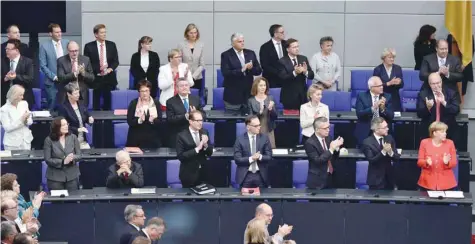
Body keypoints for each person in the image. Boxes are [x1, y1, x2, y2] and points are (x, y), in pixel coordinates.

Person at [221, 33, 262, 113]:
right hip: (233, 95)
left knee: (250, 119)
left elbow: (258, 70)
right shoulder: (226, 55)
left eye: (243, 41)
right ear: (233, 43)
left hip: (248, 94)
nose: (242, 43)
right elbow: (226, 73)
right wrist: (241, 70)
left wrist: (251, 68)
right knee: (231, 121)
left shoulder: (250, 53)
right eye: (239, 41)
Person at [416, 72, 460, 144]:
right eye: (433, 84)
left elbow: (456, 110)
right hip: (429, 129)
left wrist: (444, 103)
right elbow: (419, 114)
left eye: (438, 83)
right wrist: (428, 108)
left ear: (441, 81)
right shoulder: (423, 94)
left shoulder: (451, 93)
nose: (436, 86)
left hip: (448, 129)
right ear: (429, 84)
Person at [83, 24, 119, 110]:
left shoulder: (111, 45)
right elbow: (87, 63)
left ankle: (108, 122)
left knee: (108, 103)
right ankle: (97, 122)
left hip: (109, 77)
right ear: (96, 34)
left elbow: (115, 61)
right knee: (96, 103)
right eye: (102, 32)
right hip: (96, 78)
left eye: (105, 32)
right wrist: (99, 69)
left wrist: (110, 68)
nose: (104, 34)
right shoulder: (89, 46)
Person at [176, 110, 213, 188]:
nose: (200, 123)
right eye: (198, 120)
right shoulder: (181, 135)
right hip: (188, 174)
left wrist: (206, 145)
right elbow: (181, 156)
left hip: (203, 173)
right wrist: (198, 148)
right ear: (190, 121)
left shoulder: (204, 132)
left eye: (201, 120)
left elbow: (210, 153)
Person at [43, 117, 81, 191]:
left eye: (67, 124)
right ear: (57, 127)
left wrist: (72, 157)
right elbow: (48, 159)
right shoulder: (48, 140)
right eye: (63, 125)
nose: (66, 126)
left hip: (72, 177)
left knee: (72, 201)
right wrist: (63, 162)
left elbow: (79, 155)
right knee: (57, 201)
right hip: (55, 178)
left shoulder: (73, 137)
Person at [234, 115, 273, 188]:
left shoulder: (264, 138)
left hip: (260, 175)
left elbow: (269, 156)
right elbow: (237, 159)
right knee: (245, 199)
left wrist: (260, 156)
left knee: (261, 199)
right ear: (248, 127)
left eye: (259, 125)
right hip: (245, 176)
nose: (259, 127)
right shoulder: (240, 139)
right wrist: (252, 158)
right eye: (256, 126)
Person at [305, 117, 344, 189]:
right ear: (317, 129)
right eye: (325, 128)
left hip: (331, 177)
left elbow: (333, 156)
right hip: (317, 181)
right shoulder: (310, 143)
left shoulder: (328, 137)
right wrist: (331, 149)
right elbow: (318, 161)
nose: (328, 130)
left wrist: (337, 147)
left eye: (328, 127)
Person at [417, 121, 457, 191]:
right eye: (442, 132)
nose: (445, 134)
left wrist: (447, 162)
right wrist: (426, 162)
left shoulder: (450, 143)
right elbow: (419, 162)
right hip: (427, 183)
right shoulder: (424, 143)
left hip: (446, 184)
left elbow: (454, 162)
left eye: (445, 132)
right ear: (434, 133)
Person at [362, 118, 400, 190]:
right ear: (376, 130)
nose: (387, 129)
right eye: (385, 127)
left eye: (387, 126)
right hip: (375, 180)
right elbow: (371, 160)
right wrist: (383, 151)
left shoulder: (389, 138)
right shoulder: (367, 142)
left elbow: (396, 157)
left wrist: (390, 152)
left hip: (389, 179)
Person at [355, 76, 393, 146]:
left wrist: (383, 109)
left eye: (382, 85)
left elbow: (391, 116)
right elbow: (359, 114)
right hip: (366, 128)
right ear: (371, 87)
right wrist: (373, 108)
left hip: (382, 129)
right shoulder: (361, 96)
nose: (382, 87)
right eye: (379, 86)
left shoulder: (387, 96)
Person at [39, 23, 69, 111]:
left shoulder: (67, 43)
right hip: (52, 82)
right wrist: (54, 77)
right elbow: (43, 66)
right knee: (52, 107)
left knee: (66, 107)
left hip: (66, 81)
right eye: (56, 32)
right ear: (50, 34)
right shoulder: (44, 46)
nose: (59, 34)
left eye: (60, 32)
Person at [166, 78, 203, 147]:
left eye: (186, 85)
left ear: (189, 87)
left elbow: (204, 115)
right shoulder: (170, 102)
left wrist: (195, 114)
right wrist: (185, 116)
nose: (184, 87)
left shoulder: (196, 99)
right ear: (177, 88)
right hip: (178, 134)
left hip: (195, 134)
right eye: (181, 86)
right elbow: (170, 119)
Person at [279, 38, 314, 110]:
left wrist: (305, 72)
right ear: (288, 49)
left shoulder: (303, 58)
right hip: (289, 97)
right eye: (294, 47)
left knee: (303, 119)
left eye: (298, 46)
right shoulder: (282, 61)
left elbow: (311, 75)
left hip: (302, 96)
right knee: (290, 120)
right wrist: (295, 73)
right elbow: (282, 78)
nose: (297, 49)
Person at [57, 41, 94, 107]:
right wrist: (74, 74)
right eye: (72, 51)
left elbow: (92, 78)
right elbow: (61, 78)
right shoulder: (61, 60)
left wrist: (83, 73)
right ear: (68, 51)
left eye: (76, 51)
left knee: (82, 116)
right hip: (66, 94)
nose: (74, 53)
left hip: (82, 94)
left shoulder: (86, 59)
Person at [126, 80, 162, 149]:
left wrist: (153, 120)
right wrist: (139, 120)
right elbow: (129, 121)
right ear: (139, 92)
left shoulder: (156, 103)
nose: (144, 93)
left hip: (152, 138)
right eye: (142, 91)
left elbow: (160, 122)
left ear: (150, 91)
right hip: (136, 138)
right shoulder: (134, 103)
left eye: (146, 91)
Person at [58, 83, 94, 148]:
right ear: (69, 94)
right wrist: (77, 129)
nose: (78, 95)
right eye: (75, 93)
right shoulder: (63, 108)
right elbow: (62, 127)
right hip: (70, 141)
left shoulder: (81, 104)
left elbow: (85, 118)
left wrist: (90, 120)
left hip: (83, 141)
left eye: (78, 93)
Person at [1, 39, 34, 110]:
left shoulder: (28, 62)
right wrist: (5, 78)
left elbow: (30, 78)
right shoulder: (2, 61)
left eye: (9, 49)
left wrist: (15, 77)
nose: (6, 51)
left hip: (23, 98)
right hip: (5, 98)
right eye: (6, 48)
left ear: (17, 51)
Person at [247, 77, 278, 148]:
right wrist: (260, 112)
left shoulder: (270, 98)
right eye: (261, 85)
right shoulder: (251, 101)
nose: (263, 87)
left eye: (264, 85)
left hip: (268, 129)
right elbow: (250, 119)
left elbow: (275, 117)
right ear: (256, 86)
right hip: (256, 130)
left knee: (270, 151)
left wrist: (270, 109)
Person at [0, 85, 33, 150]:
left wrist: (27, 120)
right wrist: (21, 120)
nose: (22, 97)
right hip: (12, 144)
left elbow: (30, 121)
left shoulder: (24, 104)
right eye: (20, 95)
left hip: (26, 141)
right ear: (14, 96)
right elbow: (7, 128)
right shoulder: (3, 109)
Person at [177, 23, 205, 94]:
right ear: (187, 33)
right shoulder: (181, 45)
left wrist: (193, 76)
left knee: (195, 100)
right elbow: (179, 62)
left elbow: (202, 64)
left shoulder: (201, 45)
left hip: (197, 77)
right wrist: (186, 75)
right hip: (184, 77)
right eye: (191, 33)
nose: (193, 35)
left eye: (195, 33)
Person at [447, 34, 474, 105]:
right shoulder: (450, 36)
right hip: (451, 69)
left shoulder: (468, 36)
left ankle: (459, 111)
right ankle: (451, 110)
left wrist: (464, 63)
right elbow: (447, 51)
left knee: (462, 92)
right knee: (450, 90)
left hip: (464, 68)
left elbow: (471, 52)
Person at [259, 24, 287, 88]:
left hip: (287, 79)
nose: (284, 34)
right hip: (272, 80)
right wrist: (279, 73)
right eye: (282, 32)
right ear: (275, 34)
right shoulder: (265, 47)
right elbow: (265, 65)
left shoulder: (286, 44)